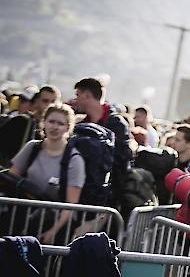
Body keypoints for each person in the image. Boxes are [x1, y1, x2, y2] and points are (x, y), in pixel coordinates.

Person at [9, 104, 85, 244]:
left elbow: (70, 206)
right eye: (51, 121)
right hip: (21, 217)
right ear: (43, 122)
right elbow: (11, 180)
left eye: (60, 123)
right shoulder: (32, 147)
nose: (54, 127)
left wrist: (52, 232)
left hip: (52, 224)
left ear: (68, 127)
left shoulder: (74, 160)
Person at [74, 77, 131, 207]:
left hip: (107, 196)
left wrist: (115, 198)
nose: (75, 100)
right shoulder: (81, 126)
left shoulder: (116, 123)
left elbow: (121, 162)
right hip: (83, 192)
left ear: (87, 95)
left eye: (78, 95)